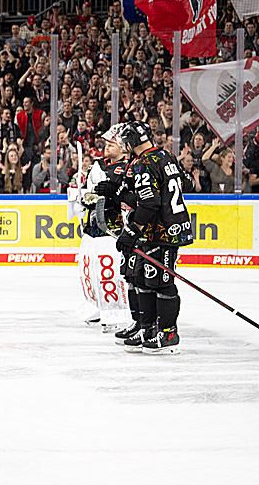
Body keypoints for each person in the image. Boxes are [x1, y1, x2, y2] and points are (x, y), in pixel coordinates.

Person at [98, 121, 193, 354]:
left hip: (161, 230)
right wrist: (116, 191)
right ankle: (148, 328)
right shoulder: (165, 155)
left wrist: (132, 231)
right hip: (162, 228)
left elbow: (149, 202)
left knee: (161, 282)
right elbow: (186, 184)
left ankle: (168, 333)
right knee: (142, 278)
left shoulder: (144, 162)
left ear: (130, 142)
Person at [73, 123, 132, 333]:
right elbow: (88, 191)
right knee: (88, 268)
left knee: (109, 270)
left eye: (112, 142)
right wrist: (82, 195)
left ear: (124, 146)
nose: (107, 145)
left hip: (113, 228)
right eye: (106, 142)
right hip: (92, 226)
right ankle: (95, 305)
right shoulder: (98, 165)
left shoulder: (130, 166)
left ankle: (115, 311)